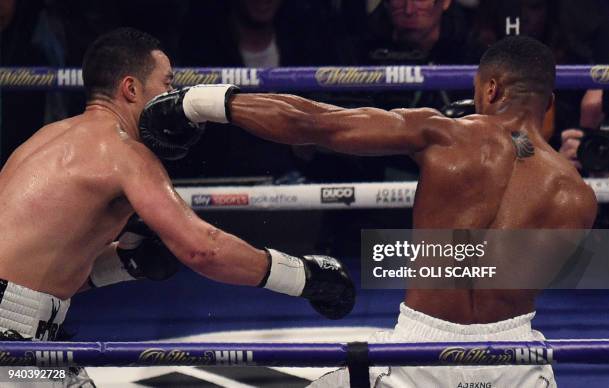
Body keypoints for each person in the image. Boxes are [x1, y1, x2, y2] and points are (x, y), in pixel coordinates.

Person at [144, 36, 597, 387]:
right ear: (549, 104)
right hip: (516, 361)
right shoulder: (578, 197)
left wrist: (200, 103)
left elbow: (317, 124)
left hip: (420, 354)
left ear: (491, 87)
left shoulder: (444, 135)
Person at [0, 27, 355, 386]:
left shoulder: (42, 139)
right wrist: (303, 277)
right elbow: (204, 249)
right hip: (12, 340)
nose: (172, 96)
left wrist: (125, 265)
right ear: (131, 89)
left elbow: (33, 273)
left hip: (21, 331)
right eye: (167, 84)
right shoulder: (126, 154)